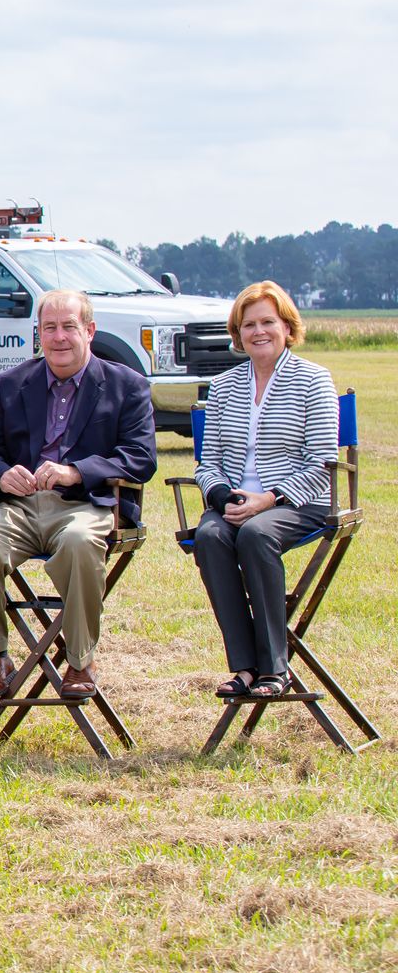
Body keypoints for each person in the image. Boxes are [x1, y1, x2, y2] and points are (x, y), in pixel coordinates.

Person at [0, 288, 156, 705]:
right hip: (17, 507)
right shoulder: (10, 384)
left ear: (90, 330)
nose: (59, 337)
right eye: (49, 328)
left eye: (69, 326)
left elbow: (141, 458)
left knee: (80, 542)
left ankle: (80, 659)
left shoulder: (127, 386)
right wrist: (1, 474)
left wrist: (77, 471)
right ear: (39, 333)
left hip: (88, 503)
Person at [190, 281, 338, 701]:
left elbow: (323, 462)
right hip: (236, 502)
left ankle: (275, 667)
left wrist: (268, 499)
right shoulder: (223, 386)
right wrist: (223, 497)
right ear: (238, 334)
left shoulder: (314, 380)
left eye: (267, 322)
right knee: (209, 536)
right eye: (248, 324)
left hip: (298, 501)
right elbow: (208, 462)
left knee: (256, 534)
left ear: (287, 327)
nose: (258, 331)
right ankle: (245, 667)